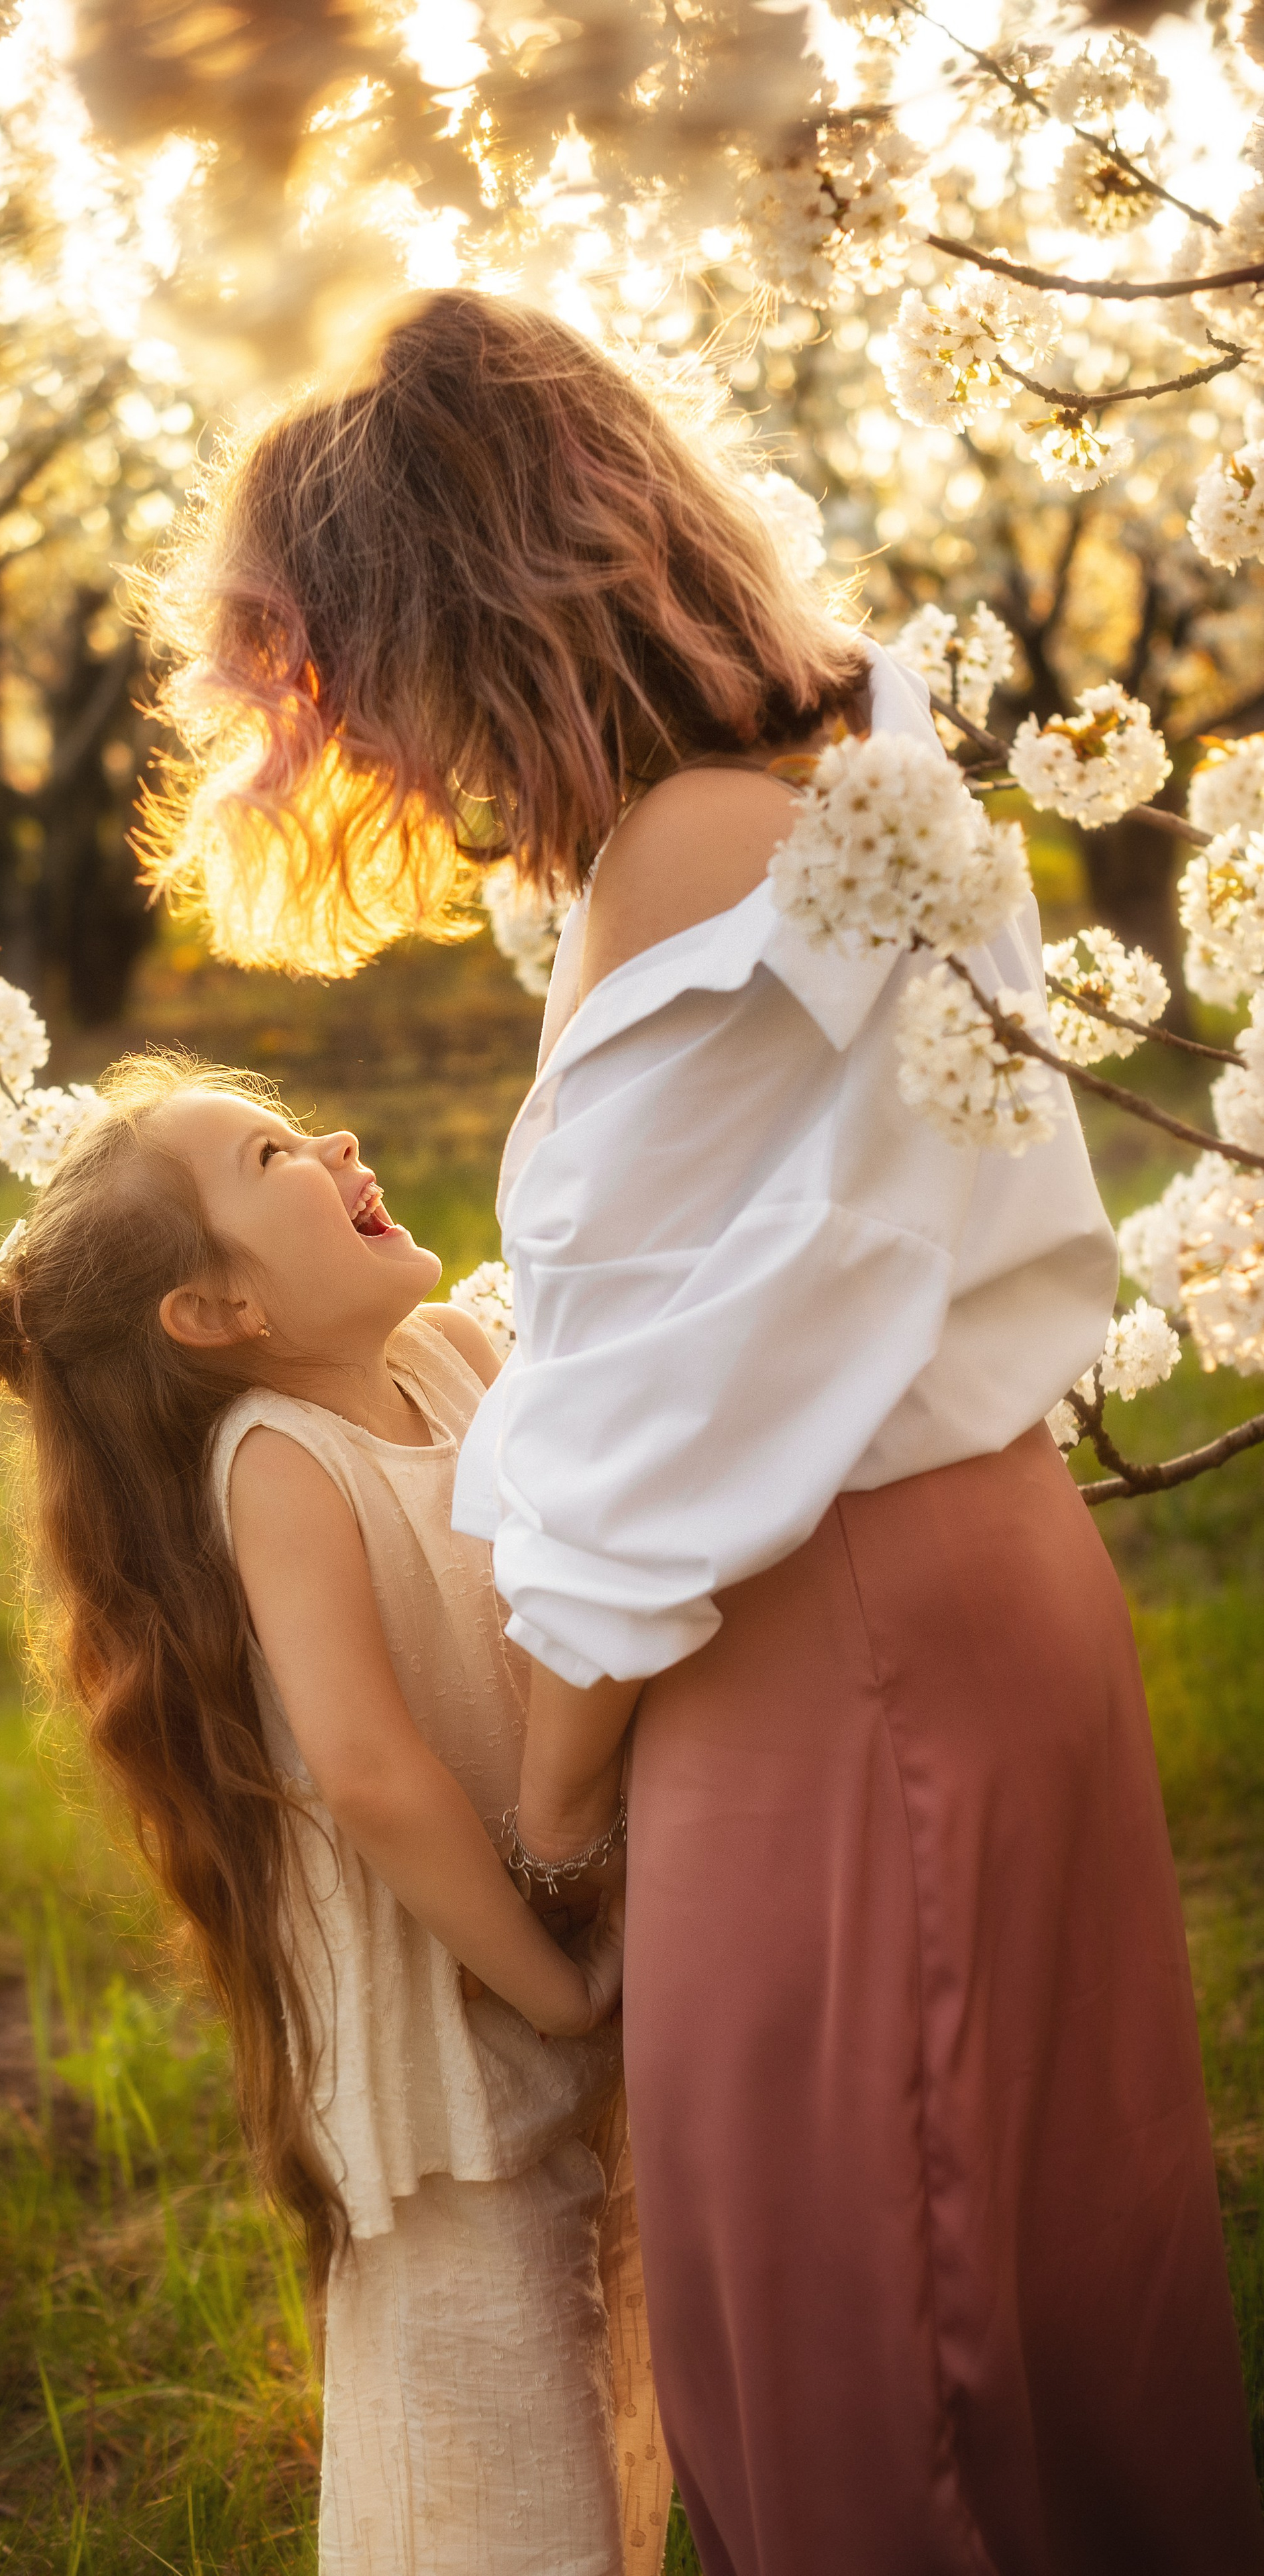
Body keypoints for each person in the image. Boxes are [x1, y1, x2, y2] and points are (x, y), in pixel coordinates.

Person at [144, 287, 1264, 2573]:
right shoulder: (855, 787)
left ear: (464, 613)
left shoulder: (702, 879)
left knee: (881, 2354)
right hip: (974, 1588)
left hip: (817, 1655)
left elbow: (653, 1465)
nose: (403, 769)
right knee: (1021, 2300)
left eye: (375, 686)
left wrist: (555, 1831)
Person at [0, 1053, 670, 2576]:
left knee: (625, 2407)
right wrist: (551, 1985)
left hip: (571, 1919)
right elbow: (374, 1772)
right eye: (271, 1160)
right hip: (453, 2019)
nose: (332, 1138)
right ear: (217, 1313)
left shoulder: (458, 1355)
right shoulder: (279, 1466)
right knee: (498, 2458)